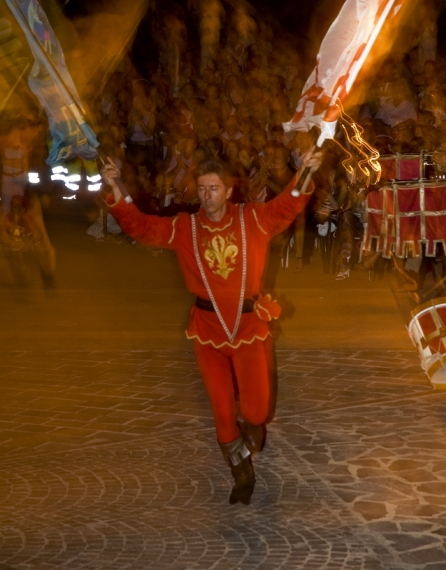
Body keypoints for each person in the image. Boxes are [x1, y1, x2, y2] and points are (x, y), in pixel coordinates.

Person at [101, 147, 322, 505]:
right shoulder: (184, 228)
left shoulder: (253, 219)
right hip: (206, 331)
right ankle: (241, 476)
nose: (207, 196)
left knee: (256, 411)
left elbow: (286, 207)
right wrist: (114, 184)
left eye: (214, 188)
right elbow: (141, 227)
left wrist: (305, 174)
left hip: (249, 328)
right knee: (222, 411)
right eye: (202, 189)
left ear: (229, 191)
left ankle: (253, 426)